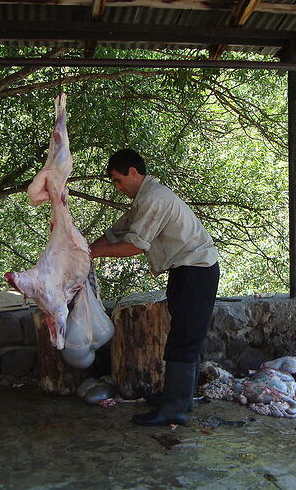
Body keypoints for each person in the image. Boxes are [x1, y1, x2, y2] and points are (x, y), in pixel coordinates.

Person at [89, 148, 220, 427]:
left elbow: (134, 245)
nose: (118, 187)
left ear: (133, 172)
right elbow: (118, 233)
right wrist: (84, 247)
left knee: (184, 340)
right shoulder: (142, 200)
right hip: (186, 270)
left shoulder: (154, 198)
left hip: (196, 271)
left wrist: (92, 254)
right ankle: (180, 400)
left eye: (118, 180)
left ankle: (175, 410)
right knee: (185, 337)